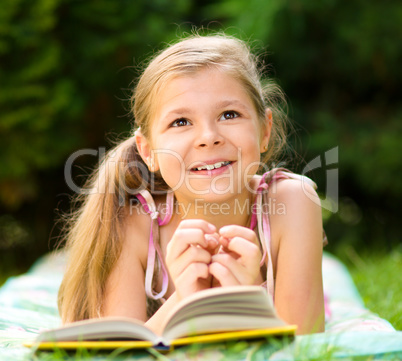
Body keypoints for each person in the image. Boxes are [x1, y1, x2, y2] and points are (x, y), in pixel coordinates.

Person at [58, 33, 325, 335]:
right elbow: (118, 353)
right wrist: (184, 300)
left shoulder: (292, 203)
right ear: (148, 152)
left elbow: (306, 346)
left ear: (265, 130)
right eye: (181, 122)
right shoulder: (132, 224)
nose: (208, 136)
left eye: (229, 114)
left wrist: (248, 299)